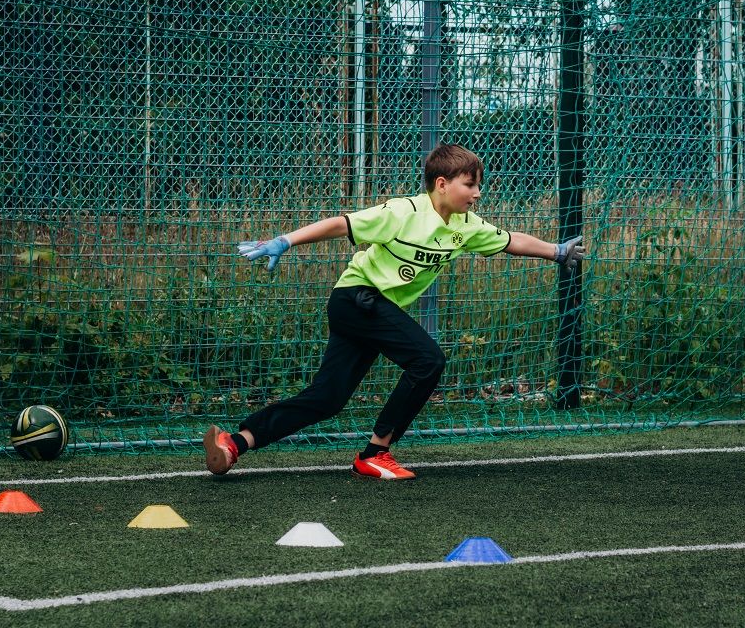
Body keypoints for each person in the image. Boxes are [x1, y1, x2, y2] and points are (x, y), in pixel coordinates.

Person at [203, 143, 584, 480]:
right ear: (442, 184)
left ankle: (235, 443)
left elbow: (511, 240)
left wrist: (557, 251)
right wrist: (285, 240)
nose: (477, 193)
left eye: (477, 185)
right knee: (428, 359)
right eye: (470, 184)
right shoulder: (403, 212)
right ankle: (375, 453)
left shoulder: (466, 226)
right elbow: (341, 224)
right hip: (357, 298)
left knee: (327, 398)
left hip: (370, 311)